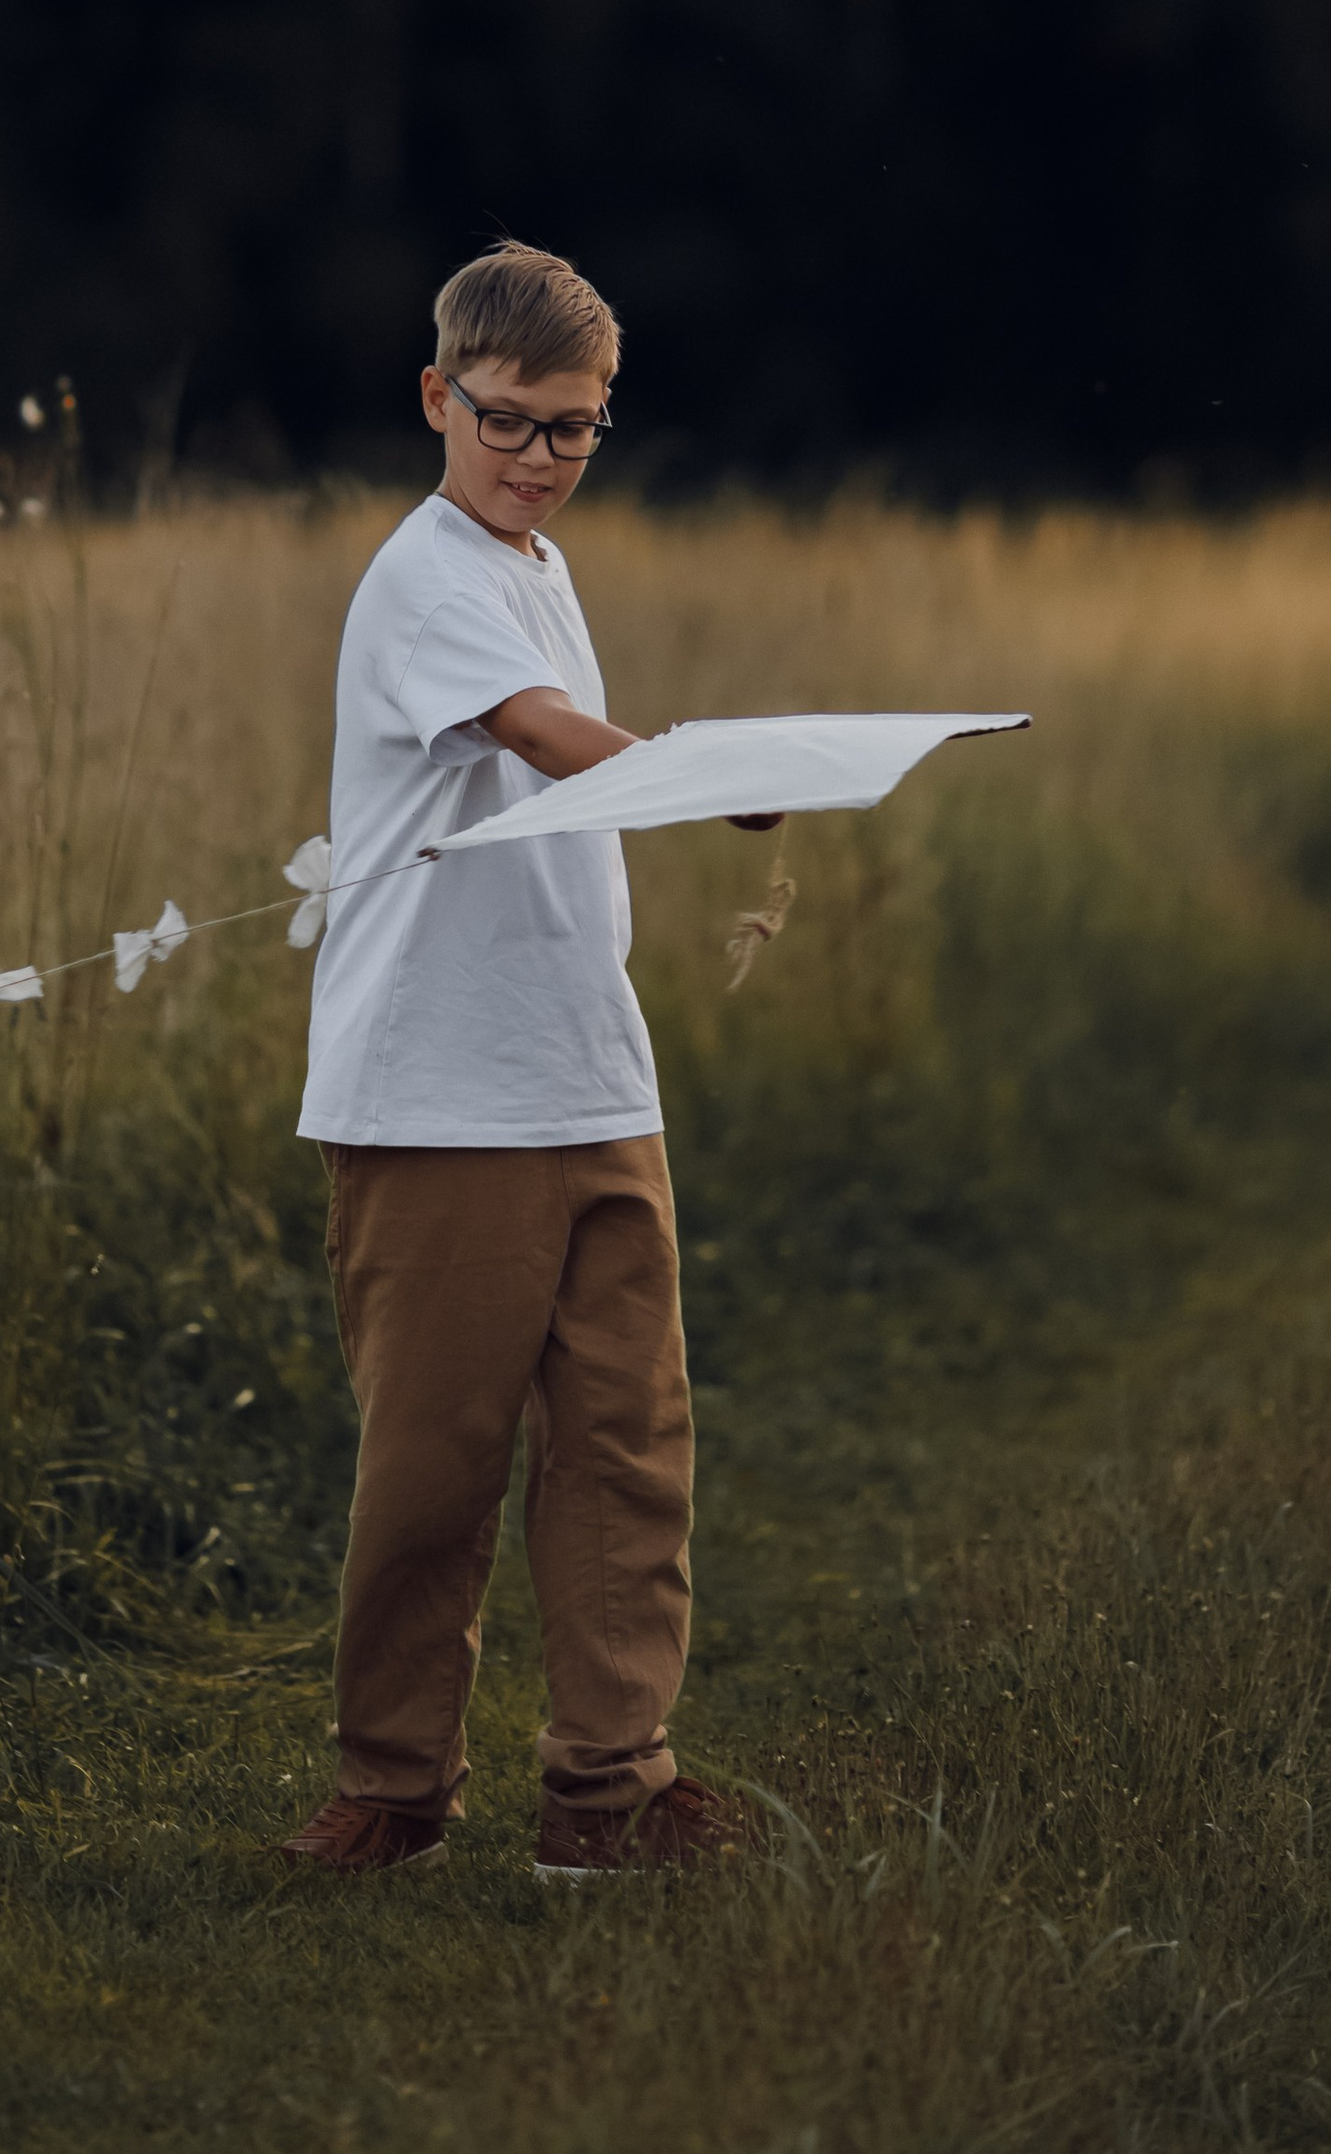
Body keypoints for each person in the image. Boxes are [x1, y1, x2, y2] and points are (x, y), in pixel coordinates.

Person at [277, 239, 774, 1881]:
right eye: (509, 422)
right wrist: (702, 775)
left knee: (629, 1447)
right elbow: (540, 738)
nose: (540, 458)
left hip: (587, 1076)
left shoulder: (535, 567)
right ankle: (396, 1792)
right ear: (437, 398)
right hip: (435, 1096)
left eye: (576, 430)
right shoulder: (424, 573)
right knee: (435, 1464)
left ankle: (608, 1797)